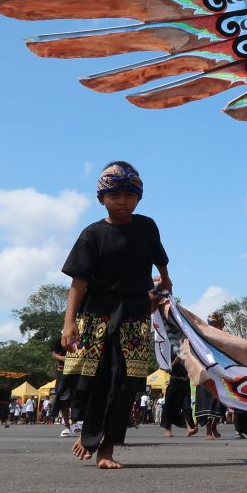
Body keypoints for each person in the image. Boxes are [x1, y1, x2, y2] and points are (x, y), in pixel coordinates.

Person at [60, 160, 172, 469]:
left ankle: (105, 449)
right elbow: (78, 284)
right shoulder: (92, 235)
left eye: (129, 194)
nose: (122, 201)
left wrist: (164, 281)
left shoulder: (146, 226)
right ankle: (89, 434)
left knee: (127, 382)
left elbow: (159, 259)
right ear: (102, 199)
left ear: (138, 197)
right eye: (114, 195)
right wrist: (69, 322)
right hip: (98, 314)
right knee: (95, 378)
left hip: (135, 312)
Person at [194, 312, 228, 439]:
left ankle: (214, 425)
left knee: (220, 401)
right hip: (206, 371)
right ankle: (208, 429)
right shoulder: (202, 336)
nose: (217, 327)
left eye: (220, 325)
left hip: (221, 372)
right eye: (215, 325)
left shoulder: (226, 338)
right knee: (206, 400)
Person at [160, 355, 197, 438]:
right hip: (174, 381)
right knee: (169, 406)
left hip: (186, 382)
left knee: (187, 406)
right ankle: (168, 429)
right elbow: (166, 369)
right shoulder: (170, 350)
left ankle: (189, 428)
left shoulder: (188, 352)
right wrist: (174, 362)